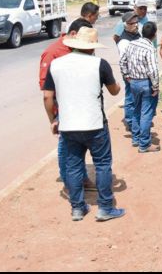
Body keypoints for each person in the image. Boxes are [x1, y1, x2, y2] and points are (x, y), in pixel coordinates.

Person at [42, 27, 125, 222]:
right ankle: (105, 207)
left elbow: (47, 97)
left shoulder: (56, 65)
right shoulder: (99, 64)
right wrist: (117, 85)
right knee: (102, 164)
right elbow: (114, 91)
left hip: (68, 125)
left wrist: (53, 120)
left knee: (73, 166)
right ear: (92, 47)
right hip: (94, 123)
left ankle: (78, 208)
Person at [39, 18, 96, 191]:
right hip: (64, 108)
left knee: (79, 146)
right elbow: (47, 92)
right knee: (66, 148)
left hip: (81, 105)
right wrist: (53, 118)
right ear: (73, 34)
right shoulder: (53, 53)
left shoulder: (79, 49)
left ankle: (81, 178)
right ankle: (71, 184)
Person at [120, 22, 160, 153]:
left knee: (136, 110)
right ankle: (144, 144)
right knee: (146, 113)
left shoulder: (132, 44)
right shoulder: (150, 48)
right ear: (154, 34)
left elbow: (122, 61)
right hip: (146, 83)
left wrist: (127, 75)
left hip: (134, 82)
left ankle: (136, 138)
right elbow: (153, 70)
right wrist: (155, 87)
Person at [116, 12, 141, 132]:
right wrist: (127, 76)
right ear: (126, 25)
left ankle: (136, 121)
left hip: (138, 73)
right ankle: (130, 122)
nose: (136, 25)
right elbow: (123, 61)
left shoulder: (137, 35)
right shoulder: (124, 41)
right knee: (131, 98)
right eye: (132, 23)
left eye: (136, 22)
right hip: (130, 74)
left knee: (137, 98)